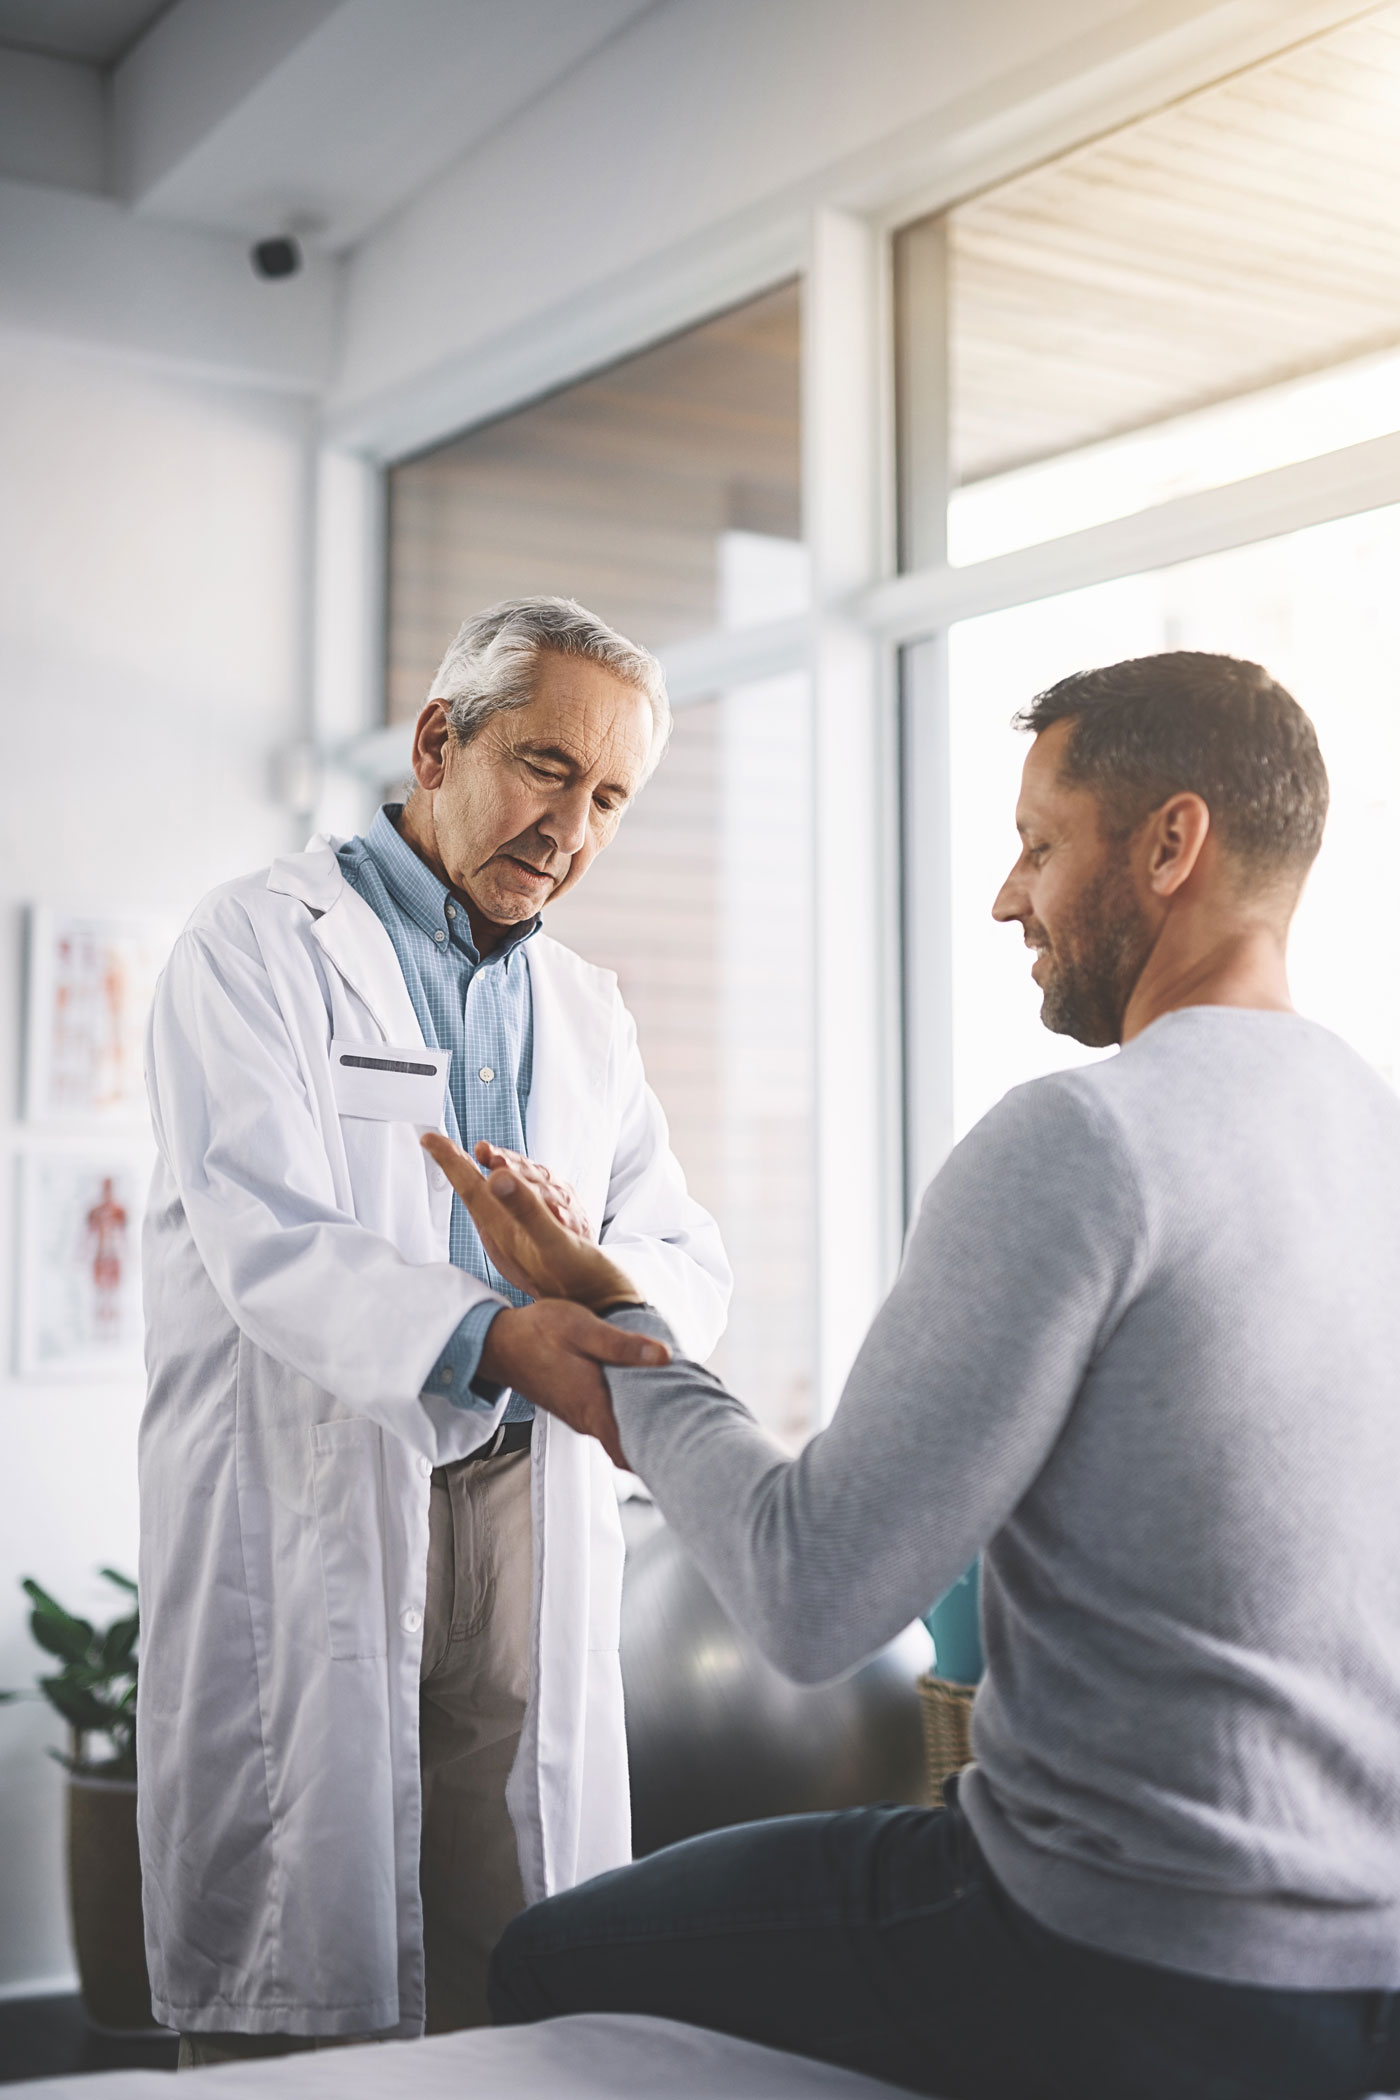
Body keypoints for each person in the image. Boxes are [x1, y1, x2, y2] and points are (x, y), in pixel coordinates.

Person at [432, 652, 1400, 2100]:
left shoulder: (1082, 1142)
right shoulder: (1365, 1132)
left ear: (1173, 843)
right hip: (1364, 1969)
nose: (1008, 895)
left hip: (1110, 1954)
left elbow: (815, 1595)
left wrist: (616, 1347)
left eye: (1039, 843)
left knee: (545, 1961)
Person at [137, 597, 731, 2059]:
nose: (569, 827)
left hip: (525, 1512)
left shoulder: (587, 1009)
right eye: (545, 767)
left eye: (607, 799)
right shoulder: (260, 947)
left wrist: (591, 1279)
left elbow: (679, 1249)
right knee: (307, 1982)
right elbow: (267, 1229)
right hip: (326, 1496)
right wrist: (497, 1333)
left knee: (507, 1951)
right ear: (436, 740)